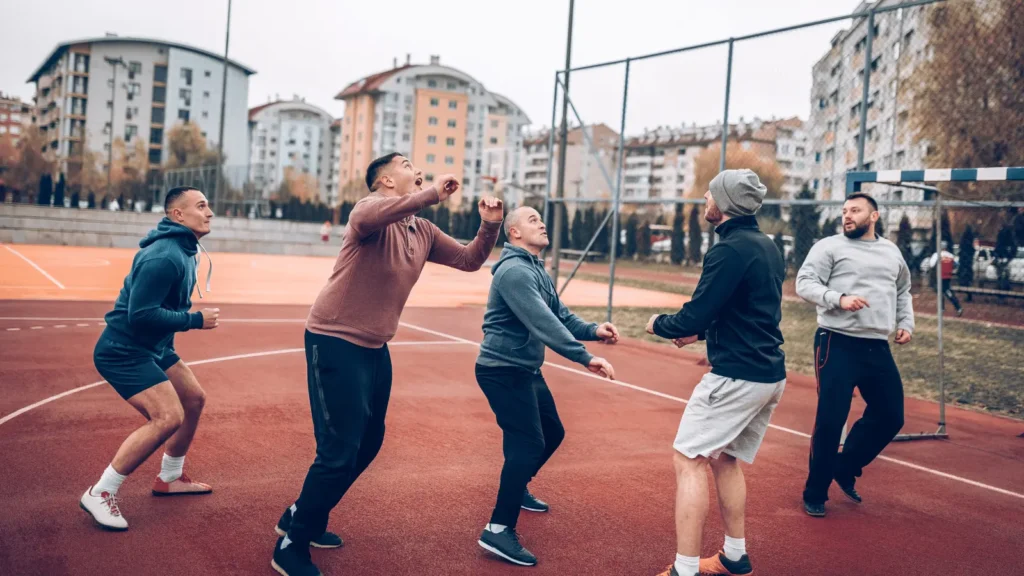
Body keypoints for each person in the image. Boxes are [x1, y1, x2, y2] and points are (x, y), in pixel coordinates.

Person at [271, 153, 504, 576]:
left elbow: (470, 261)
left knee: (369, 441)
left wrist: (489, 224)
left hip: (375, 346)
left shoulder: (422, 230)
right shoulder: (367, 211)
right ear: (385, 181)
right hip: (334, 337)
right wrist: (432, 192)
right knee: (338, 450)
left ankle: (302, 512)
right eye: (405, 162)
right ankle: (292, 544)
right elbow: (381, 213)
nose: (414, 167)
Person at [648, 169, 787, 576]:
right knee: (725, 459)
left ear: (723, 203)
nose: (704, 199)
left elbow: (701, 309)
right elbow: (744, 307)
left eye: (709, 193)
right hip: (768, 374)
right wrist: (702, 332)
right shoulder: (766, 246)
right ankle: (734, 555)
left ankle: (685, 569)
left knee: (688, 458)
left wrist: (661, 324)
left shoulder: (729, 250)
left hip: (737, 375)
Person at [474, 206, 618, 567]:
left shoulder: (537, 269)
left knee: (551, 432)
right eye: (532, 219)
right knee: (528, 441)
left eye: (540, 217)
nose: (541, 222)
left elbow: (560, 315)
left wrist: (592, 330)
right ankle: (497, 528)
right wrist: (585, 357)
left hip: (524, 370)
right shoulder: (514, 272)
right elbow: (542, 323)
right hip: (502, 370)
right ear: (514, 233)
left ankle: (517, 484)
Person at [80, 186, 220, 531]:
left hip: (153, 347)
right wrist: (194, 321)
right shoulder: (164, 257)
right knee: (167, 416)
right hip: (123, 350)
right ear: (178, 215)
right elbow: (140, 315)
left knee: (193, 399)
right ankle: (101, 492)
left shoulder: (186, 250)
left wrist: (168, 344)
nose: (210, 212)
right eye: (201, 206)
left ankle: (169, 478)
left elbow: (162, 312)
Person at [796, 192, 914, 518]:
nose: (847, 215)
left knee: (891, 415)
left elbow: (902, 290)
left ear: (873, 216)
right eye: (845, 211)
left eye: (855, 210)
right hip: (837, 342)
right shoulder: (829, 246)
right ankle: (815, 492)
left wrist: (906, 322)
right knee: (831, 420)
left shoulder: (891, 252)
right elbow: (804, 283)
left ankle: (845, 466)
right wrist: (838, 298)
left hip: (877, 345)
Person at [928, 249, 963, 316]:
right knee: (945, 291)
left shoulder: (937, 254)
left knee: (942, 292)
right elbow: (956, 264)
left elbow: (931, 264)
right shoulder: (950, 255)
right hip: (947, 276)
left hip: (939, 276)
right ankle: (950, 308)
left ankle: (947, 308)